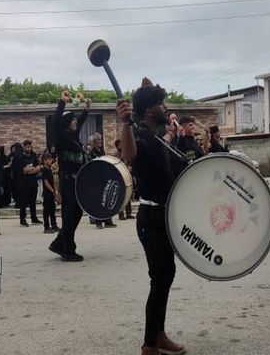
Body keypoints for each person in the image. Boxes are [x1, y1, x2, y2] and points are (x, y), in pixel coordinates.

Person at [117, 77, 187, 355]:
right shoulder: (140, 136)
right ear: (148, 111)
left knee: (166, 276)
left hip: (164, 216)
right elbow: (129, 153)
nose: (164, 107)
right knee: (159, 280)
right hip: (151, 218)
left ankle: (159, 335)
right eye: (159, 104)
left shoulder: (154, 135)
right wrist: (124, 123)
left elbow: (165, 139)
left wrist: (146, 89)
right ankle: (149, 346)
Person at [48, 92, 91, 262]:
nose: (75, 121)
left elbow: (79, 122)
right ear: (66, 124)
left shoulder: (73, 138)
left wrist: (86, 110)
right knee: (69, 214)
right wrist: (62, 103)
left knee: (77, 212)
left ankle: (58, 242)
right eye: (72, 120)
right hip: (67, 180)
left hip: (76, 181)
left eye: (75, 120)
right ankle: (68, 249)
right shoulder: (62, 138)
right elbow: (56, 122)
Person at [86, 133, 118, 229]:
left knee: (108, 198)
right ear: (93, 141)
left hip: (104, 177)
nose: (101, 141)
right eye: (99, 139)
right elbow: (89, 166)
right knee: (98, 201)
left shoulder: (102, 151)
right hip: (95, 179)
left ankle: (108, 221)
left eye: (100, 139)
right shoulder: (89, 153)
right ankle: (98, 222)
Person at [18, 140, 42, 227]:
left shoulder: (33, 156)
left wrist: (31, 170)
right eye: (27, 146)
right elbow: (24, 170)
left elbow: (38, 168)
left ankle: (34, 218)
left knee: (33, 201)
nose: (29, 148)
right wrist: (33, 169)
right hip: (24, 183)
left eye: (30, 147)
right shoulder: (21, 157)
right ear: (24, 147)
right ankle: (22, 219)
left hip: (33, 182)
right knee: (23, 202)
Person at [114, 139, 134, 220]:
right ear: (117, 146)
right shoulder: (115, 155)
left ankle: (128, 213)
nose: (121, 146)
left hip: (126, 176)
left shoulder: (125, 153)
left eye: (122, 144)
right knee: (121, 196)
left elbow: (128, 163)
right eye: (119, 145)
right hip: (119, 176)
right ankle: (121, 214)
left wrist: (129, 167)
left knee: (128, 194)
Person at [41, 153, 59, 234]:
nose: (50, 161)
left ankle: (54, 225)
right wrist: (52, 190)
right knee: (47, 211)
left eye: (51, 159)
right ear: (44, 161)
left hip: (51, 193)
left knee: (52, 210)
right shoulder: (44, 170)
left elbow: (52, 181)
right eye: (48, 160)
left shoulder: (49, 169)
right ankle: (46, 227)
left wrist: (55, 190)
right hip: (47, 193)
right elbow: (46, 182)